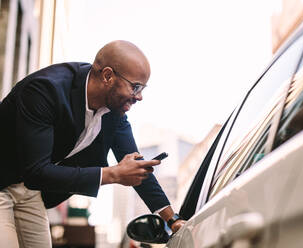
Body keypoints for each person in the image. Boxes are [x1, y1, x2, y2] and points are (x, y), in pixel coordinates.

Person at [0, 40, 185, 248]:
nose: (140, 97)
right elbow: (35, 171)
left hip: (29, 192)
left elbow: (137, 168)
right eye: (136, 87)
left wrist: (174, 220)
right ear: (107, 76)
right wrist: (112, 174)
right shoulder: (45, 90)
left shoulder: (114, 113)